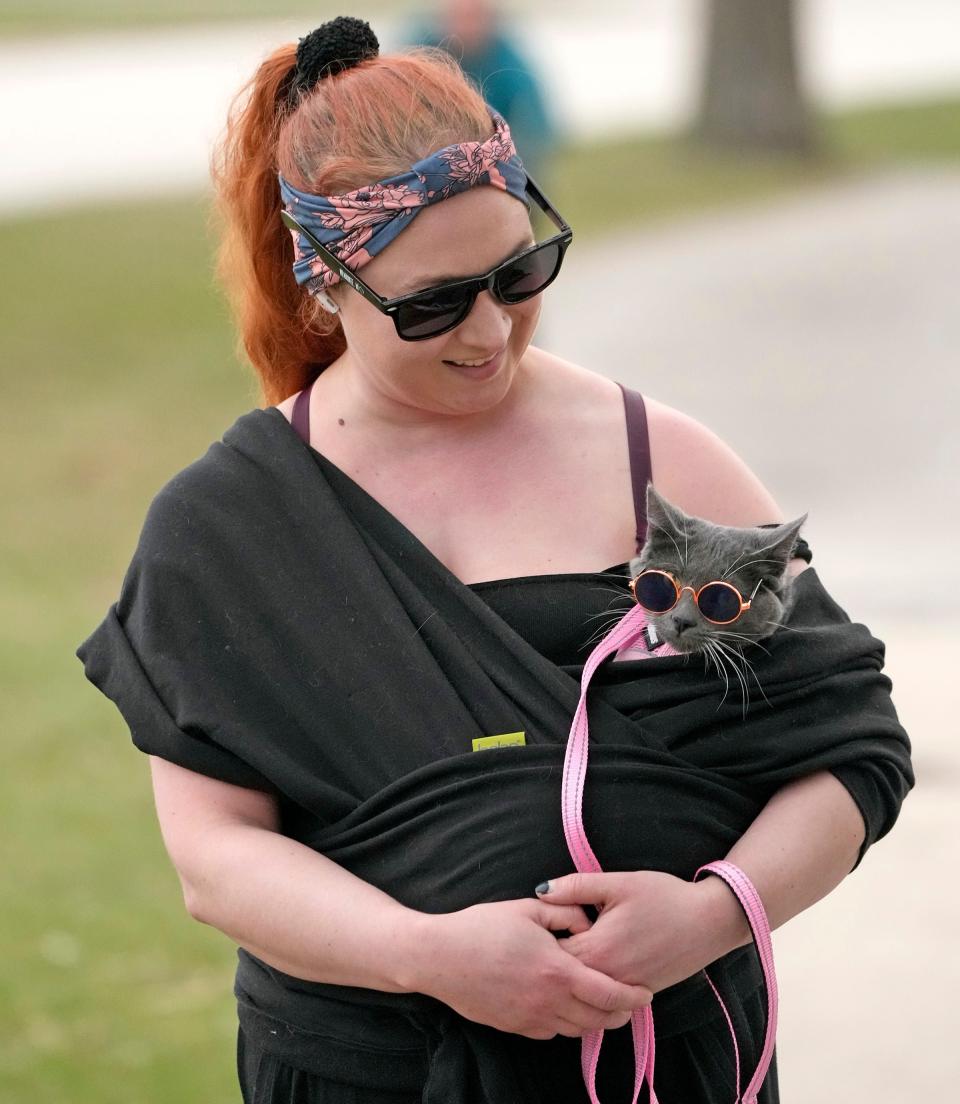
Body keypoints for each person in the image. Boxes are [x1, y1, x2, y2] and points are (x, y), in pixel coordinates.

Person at [77, 17, 912, 1104]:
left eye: (518, 274)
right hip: (365, 1076)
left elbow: (848, 752)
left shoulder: (649, 466)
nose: (490, 333)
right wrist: (425, 955)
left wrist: (715, 913)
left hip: (668, 1070)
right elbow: (218, 860)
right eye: (430, 304)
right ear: (324, 281)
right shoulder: (230, 524)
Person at [408, 0, 557, 185]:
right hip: (428, 160)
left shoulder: (509, 63)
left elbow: (537, 126)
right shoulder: (420, 52)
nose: (467, 26)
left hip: (496, 160)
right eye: (460, 16)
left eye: (473, 17)